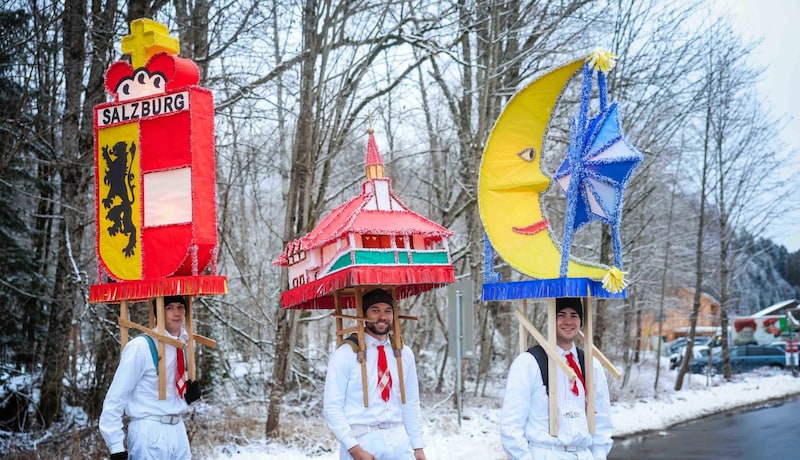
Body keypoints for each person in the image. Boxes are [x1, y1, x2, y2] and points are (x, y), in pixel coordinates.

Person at [500, 297, 613, 460]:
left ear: (581, 321)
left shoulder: (590, 364)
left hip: (583, 454)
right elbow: (511, 426)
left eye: (574, 315)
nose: (568, 321)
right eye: (561, 314)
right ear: (551, 318)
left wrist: (598, 456)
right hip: (545, 452)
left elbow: (602, 420)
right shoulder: (529, 363)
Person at [323, 288, 427, 460]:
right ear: (363, 314)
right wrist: (354, 449)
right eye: (375, 310)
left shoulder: (404, 353)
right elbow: (332, 407)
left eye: (388, 310)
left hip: (399, 441)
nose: (382, 317)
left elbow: (411, 403)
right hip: (362, 440)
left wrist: (418, 447)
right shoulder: (345, 354)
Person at [99, 295, 202, 460]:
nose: (177, 313)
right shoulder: (140, 347)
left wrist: (185, 399)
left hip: (178, 430)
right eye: (169, 308)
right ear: (158, 313)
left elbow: (165, 390)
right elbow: (116, 397)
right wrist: (116, 446)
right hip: (149, 431)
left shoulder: (183, 345)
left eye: (180, 307)